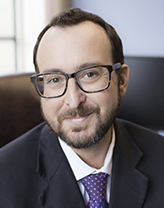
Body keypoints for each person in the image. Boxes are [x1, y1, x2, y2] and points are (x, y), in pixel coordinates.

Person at [0, 8, 164, 208]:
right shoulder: (4, 181)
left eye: (90, 74)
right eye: (54, 79)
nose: (74, 100)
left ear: (121, 80)